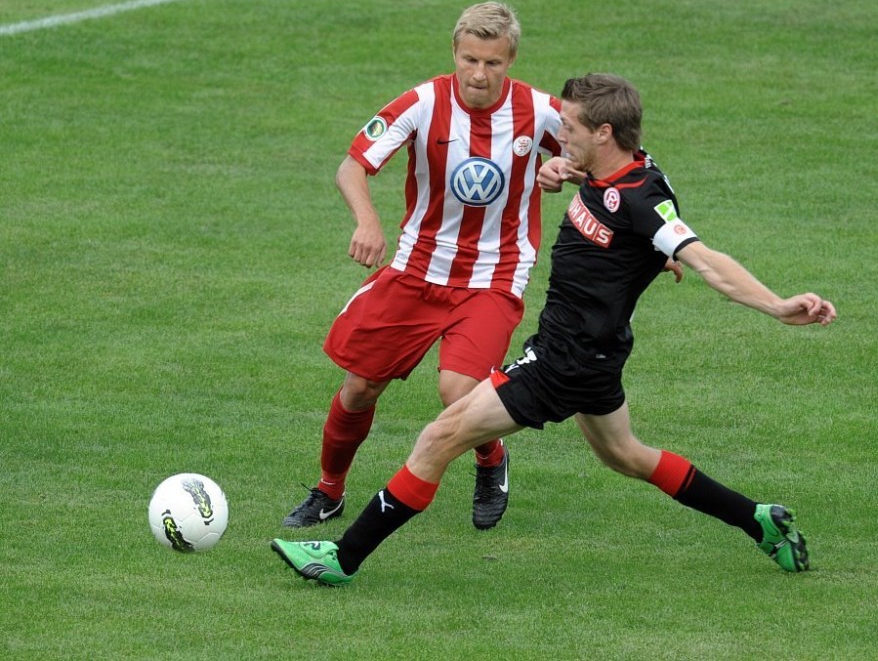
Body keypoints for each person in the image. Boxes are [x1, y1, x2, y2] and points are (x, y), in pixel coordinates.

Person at [271, 73, 837, 586]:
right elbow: (625, 229)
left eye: (567, 129)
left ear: (605, 131)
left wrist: (778, 306)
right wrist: (568, 176)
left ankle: (341, 560)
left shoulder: (642, 198)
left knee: (437, 438)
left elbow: (705, 259)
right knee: (626, 456)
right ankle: (759, 520)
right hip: (597, 359)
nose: (557, 135)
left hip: (562, 362)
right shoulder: (609, 170)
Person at [281, 1, 563, 532]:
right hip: (416, 269)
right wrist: (367, 222)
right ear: (455, 53)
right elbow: (352, 166)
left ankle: (490, 458)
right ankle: (329, 492)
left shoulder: (541, 111)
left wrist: (567, 167)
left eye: (493, 63)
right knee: (360, 387)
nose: (479, 74)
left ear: (511, 60)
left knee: (459, 391)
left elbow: (610, 158)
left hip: (493, 276)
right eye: (470, 59)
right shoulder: (423, 102)